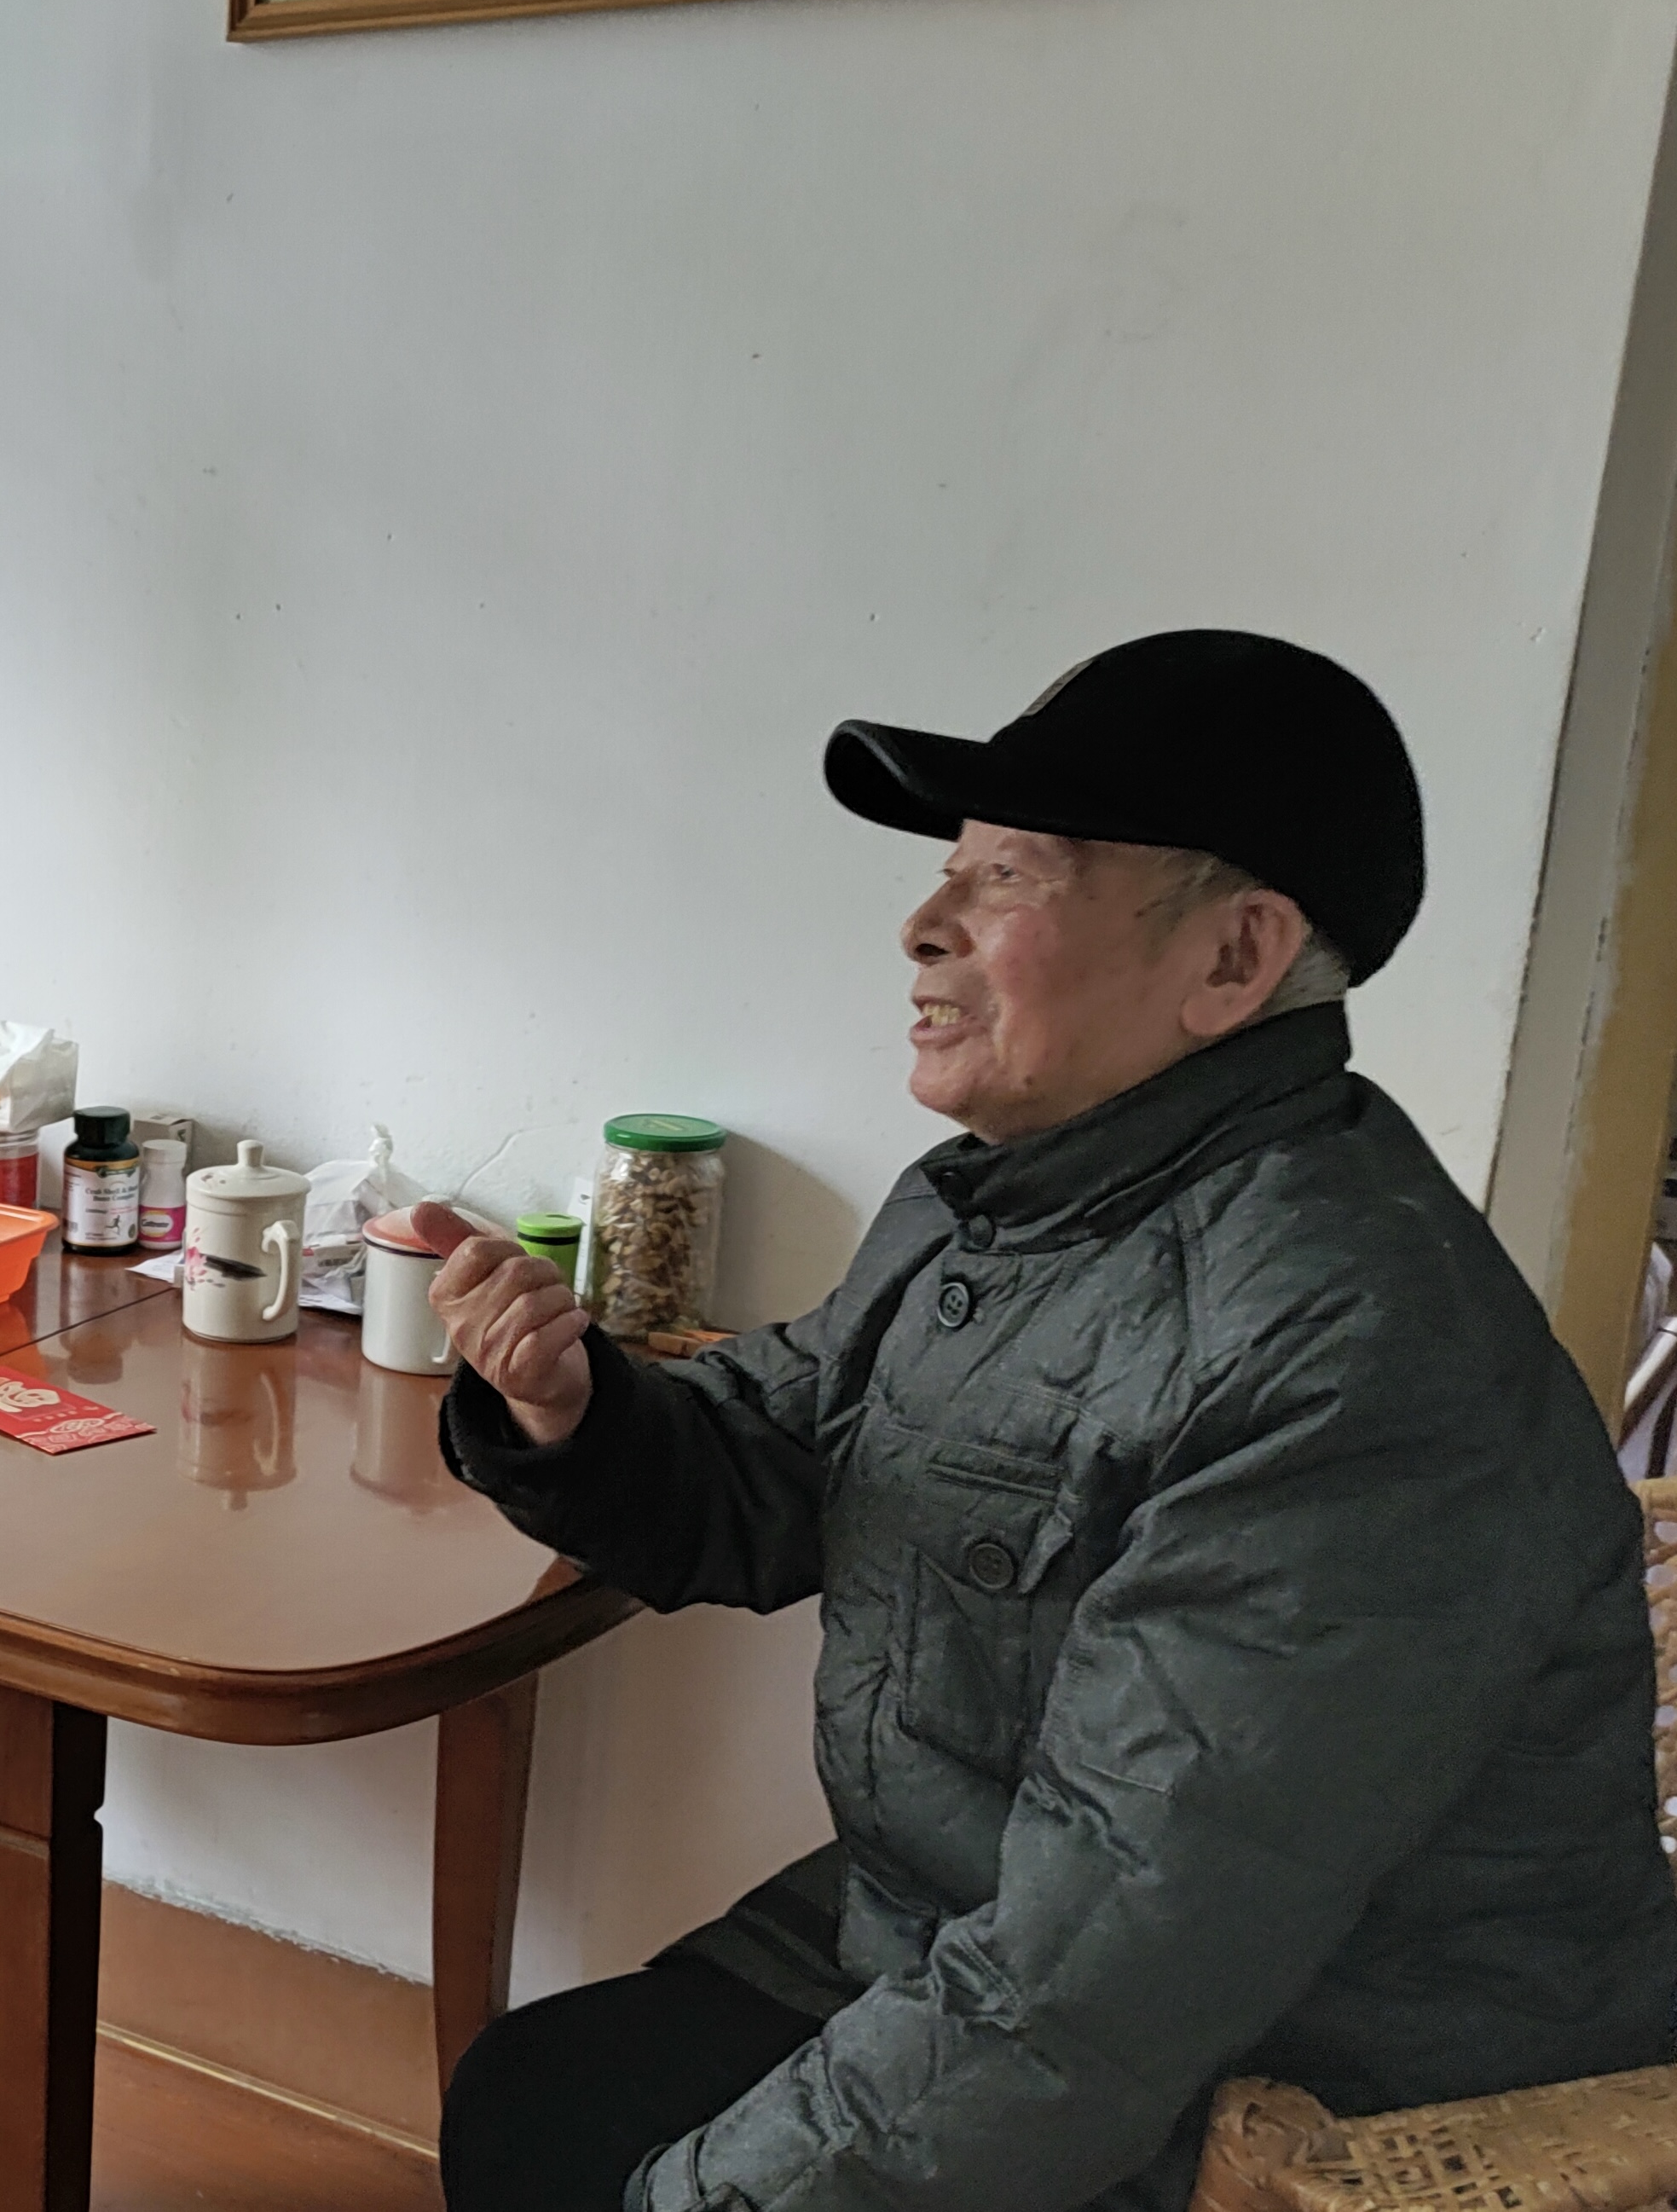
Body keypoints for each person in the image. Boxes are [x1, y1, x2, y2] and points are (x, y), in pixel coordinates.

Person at [426, 632, 1677, 2211]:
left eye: (1007, 876)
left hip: (1297, 2065)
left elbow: (1117, 1966)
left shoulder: (1357, 1353)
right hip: (970, 1919)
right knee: (541, 2096)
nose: (924, 924)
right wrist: (572, 1409)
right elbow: (783, 1457)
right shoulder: (1005, 1201)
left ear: (1234, 958)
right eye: (950, 868)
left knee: (595, 2151)